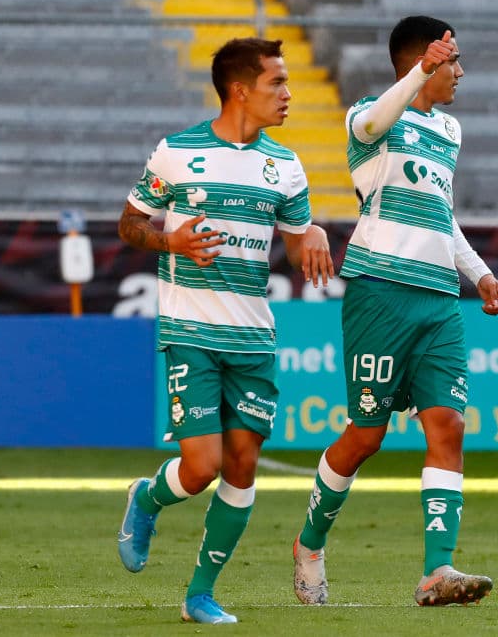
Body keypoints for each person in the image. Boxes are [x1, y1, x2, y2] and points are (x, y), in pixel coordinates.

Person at [292, 15, 498, 608]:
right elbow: (372, 120)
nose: (460, 73)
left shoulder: (450, 131)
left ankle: (437, 571)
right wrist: (420, 73)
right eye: (452, 61)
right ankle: (309, 544)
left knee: (449, 425)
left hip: (439, 297)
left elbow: (443, 213)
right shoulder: (368, 115)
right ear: (425, 62)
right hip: (380, 290)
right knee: (366, 435)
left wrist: (481, 273)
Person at [116, 37, 334, 624]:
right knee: (202, 467)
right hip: (190, 328)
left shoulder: (284, 164)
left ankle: (199, 595)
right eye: (277, 83)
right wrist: (171, 241)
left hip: (254, 337)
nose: (289, 94)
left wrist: (310, 235)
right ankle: (148, 496)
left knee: (241, 468)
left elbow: (296, 241)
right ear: (241, 89)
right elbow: (130, 223)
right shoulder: (177, 151)